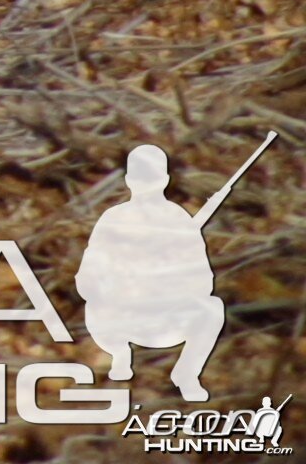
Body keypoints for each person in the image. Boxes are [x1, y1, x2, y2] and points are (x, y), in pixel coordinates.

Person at [79, 146, 230, 400]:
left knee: (212, 308)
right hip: (120, 312)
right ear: (129, 181)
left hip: (164, 311)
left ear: (165, 180)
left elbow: (204, 280)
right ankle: (119, 356)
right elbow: (88, 275)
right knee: (98, 307)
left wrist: (170, 281)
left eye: (151, 178)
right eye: (141, 178)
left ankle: (187, 373)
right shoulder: (113, 218)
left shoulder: (178, 219)